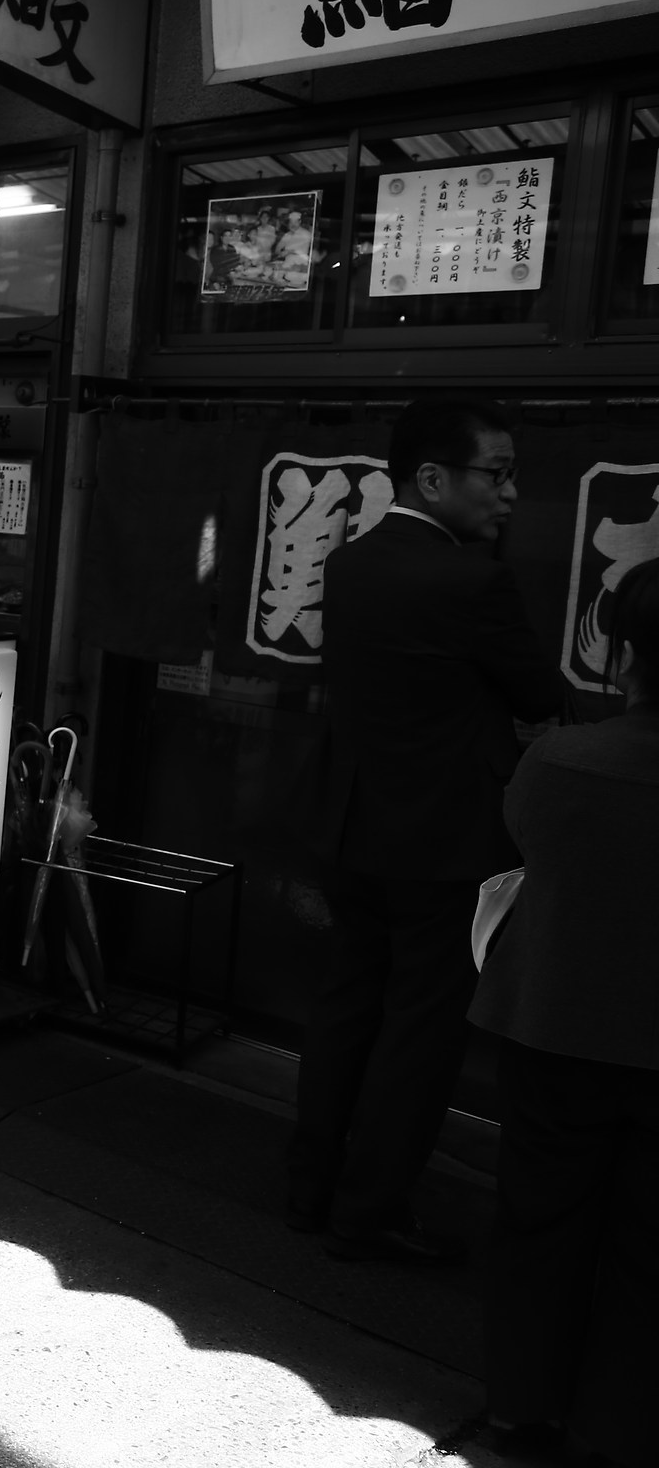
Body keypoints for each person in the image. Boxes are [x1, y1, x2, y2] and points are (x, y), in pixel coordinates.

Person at [290, 398, 564, 1263]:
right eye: (499, 473)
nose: (510, 494)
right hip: (442, 846)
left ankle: (310, 1190)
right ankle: (368, 1211)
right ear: (433, 478)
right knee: (419, 1032)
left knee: (343, 1009)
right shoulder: (475, 580)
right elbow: (538, 696)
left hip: (353, 830)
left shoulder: (351, 564)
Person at [471, 558, 659, 1466]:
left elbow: (524, 835)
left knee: (541, 1219)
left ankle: (520, 1404)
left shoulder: (564, 759)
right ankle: (618, 1426)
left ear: (625, 657)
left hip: (555, 1022)